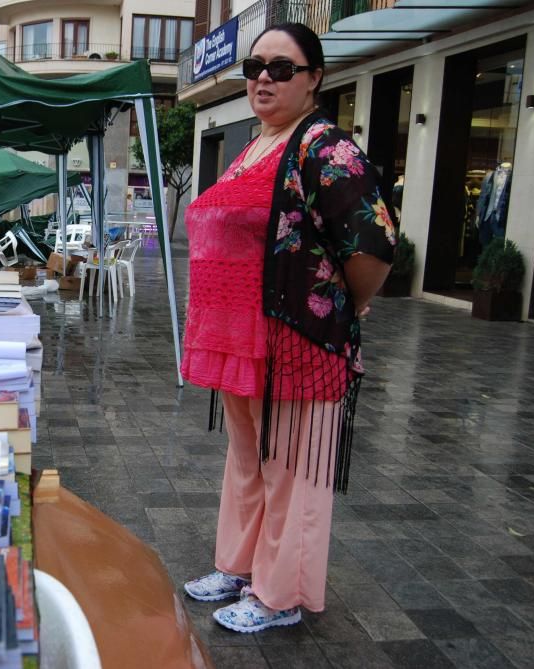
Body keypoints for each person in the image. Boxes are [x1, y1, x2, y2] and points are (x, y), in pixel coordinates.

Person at [180, 23, 396, 633]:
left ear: (314, 78)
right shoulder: (256, 145)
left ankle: (280, 596)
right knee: (248, 461)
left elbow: (374, 242)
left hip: (296, 339)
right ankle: (239, 567)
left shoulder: (327, 148)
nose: (264, 79)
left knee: (292, 471)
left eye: (281, 68)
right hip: (239, 341)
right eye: (254, 68)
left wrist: (342, 304)